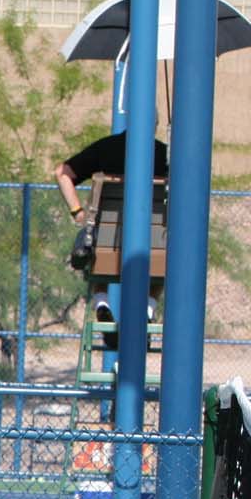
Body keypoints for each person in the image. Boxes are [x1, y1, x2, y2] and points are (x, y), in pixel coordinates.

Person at [54, 131, 171, 344]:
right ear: (153, 125)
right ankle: (147, 309)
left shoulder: (104, 148)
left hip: (107, 248)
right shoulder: (165, 154)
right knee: (162, 256)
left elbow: (62, 173)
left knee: (97, 246)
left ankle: (102, 303)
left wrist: (77, 212)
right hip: (153, 250)